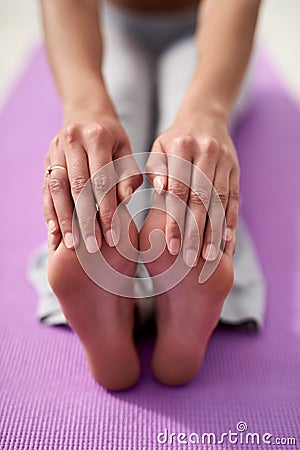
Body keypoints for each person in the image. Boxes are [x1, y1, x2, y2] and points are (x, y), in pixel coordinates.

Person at [37, 0, 265, 390]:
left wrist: (209, 109)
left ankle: (116, 278)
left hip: (212, 26)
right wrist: (83, 104)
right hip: (109, 25)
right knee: (110, 137)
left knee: (192, 145)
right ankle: (187, 264)